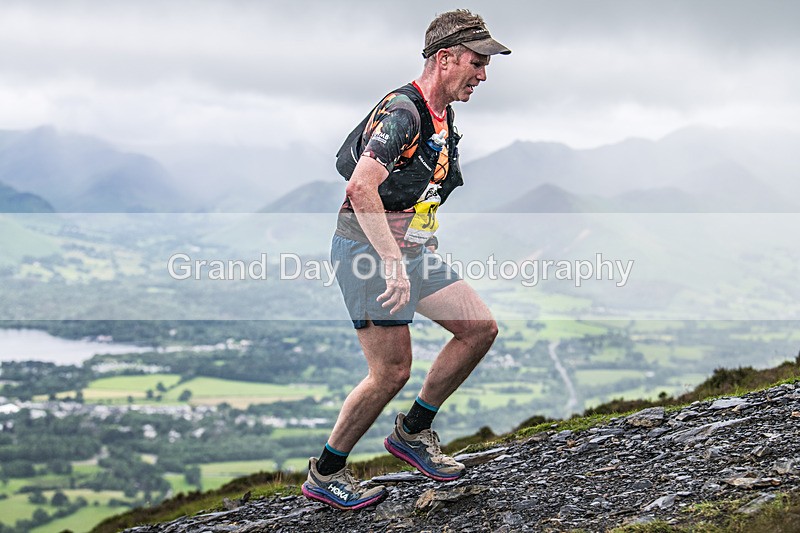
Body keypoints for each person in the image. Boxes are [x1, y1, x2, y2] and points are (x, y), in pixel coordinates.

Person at [302, 9, 510, 510]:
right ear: (445, 59)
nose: (484, 74)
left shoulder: (443, 116)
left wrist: (418, 243)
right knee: (391, 372)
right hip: (366, 253)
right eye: (477, 62)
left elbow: (419, 191)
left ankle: (412, 434)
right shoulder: (404, 111)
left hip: (409, 249)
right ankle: (325, 473)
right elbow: (361, 185)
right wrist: (392, 262)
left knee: (479, 328)